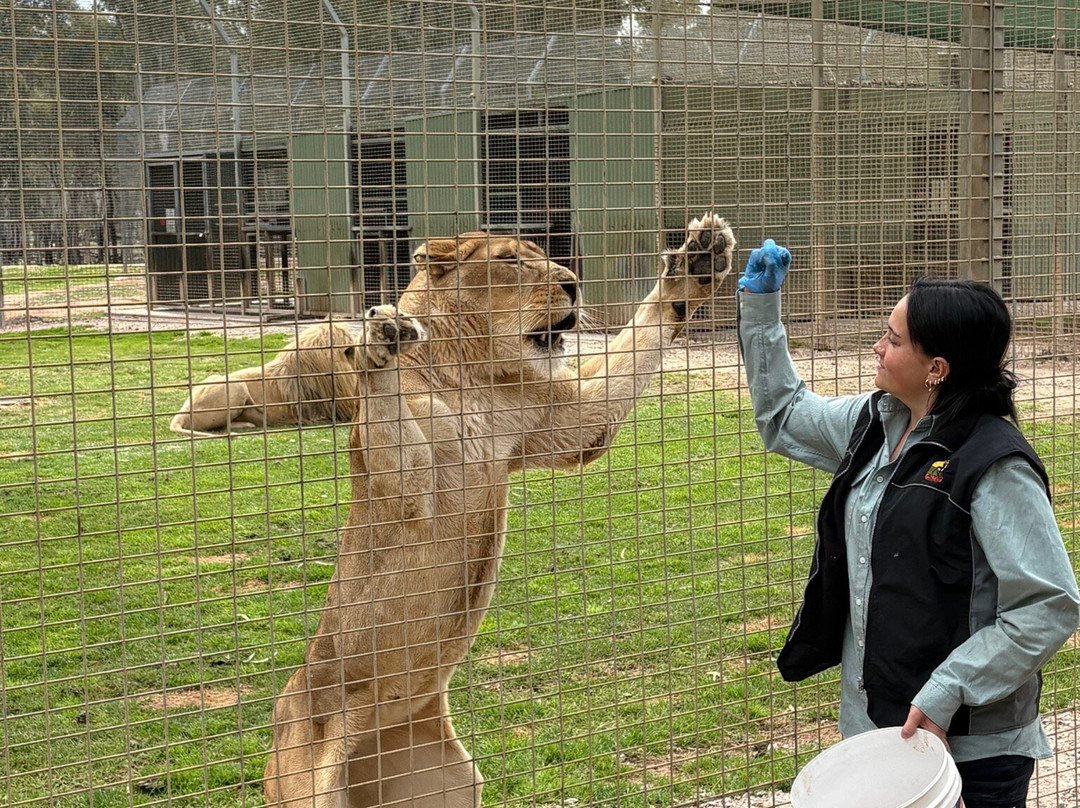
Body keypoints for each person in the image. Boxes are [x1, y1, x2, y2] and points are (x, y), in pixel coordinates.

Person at [736, 240, 1080, 808]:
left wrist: (947, 689)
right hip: (881, 733)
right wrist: (761, 310)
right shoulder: (875, 423)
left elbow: (1048, 605)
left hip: (971, 752)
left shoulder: (995, 465)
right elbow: (786, 417)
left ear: (936, 370)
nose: (877, 346)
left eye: (893, 340)